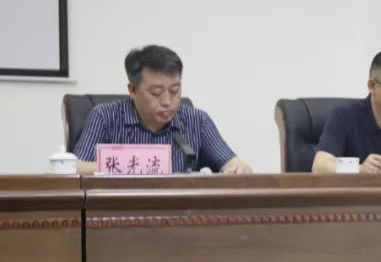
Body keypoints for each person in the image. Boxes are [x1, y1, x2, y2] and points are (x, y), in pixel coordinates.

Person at [73, 45, 252, 175]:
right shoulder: (105, 117)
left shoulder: (197, 121)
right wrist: (134, 165)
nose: (168, 102)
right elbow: (74, 168)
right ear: (133, 90)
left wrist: (238, 168)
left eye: (174, 91)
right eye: (156, 93)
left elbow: (231, 162)